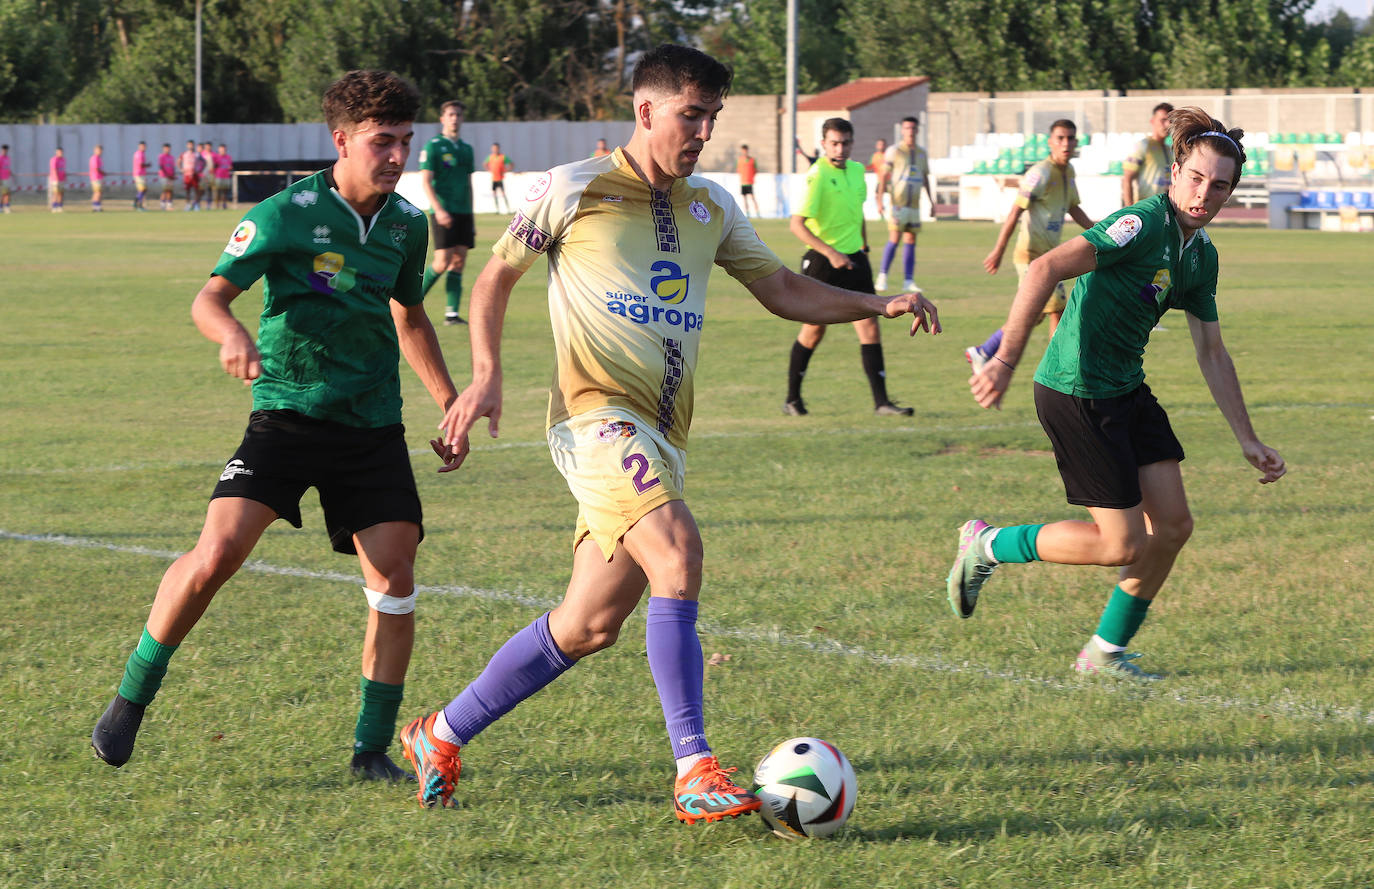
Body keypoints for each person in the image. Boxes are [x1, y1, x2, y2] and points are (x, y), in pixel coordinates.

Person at [399, 44, 939, 817]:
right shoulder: (573, 188)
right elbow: (493, 277)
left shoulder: (711, 205)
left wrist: (875, 302)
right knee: (678, 552)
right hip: (594, 419)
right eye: (692, 114)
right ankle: (695, 769)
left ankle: (440, 732)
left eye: (712, 117)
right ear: (646, 110)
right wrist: (485, 373)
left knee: (587, 624)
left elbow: (782, 287)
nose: (703, 131)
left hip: (662, 437)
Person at [91, 69, 464, 783]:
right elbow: (209, 297)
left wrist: (447, 399)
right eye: (382, 142)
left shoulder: (407, 224)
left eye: (404, 142)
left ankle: (370, 747)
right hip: (288, 413)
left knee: (395, 578)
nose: (396, 157)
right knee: (217, 554)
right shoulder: (284, 213)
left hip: (371, 425)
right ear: (342, 140)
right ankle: (132, 696)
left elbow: (410, 313)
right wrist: (229, 333)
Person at [947, 107, 1286, 681]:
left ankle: (1104, 653)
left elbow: (1211, 352)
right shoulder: (1140, 224)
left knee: (1174, 526)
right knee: (1121, 544)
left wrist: (1247, 438)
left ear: (1232, 192)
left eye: (1220, 185)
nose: (1205, 193)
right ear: (1175, 172)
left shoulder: (1200, 255)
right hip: (1076, 391)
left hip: (1126, 390)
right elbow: (1045, 268)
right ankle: (989, 544)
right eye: (1197, 177)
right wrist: (1004, 358)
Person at [782, 117, 918, 418]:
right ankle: (792, 398)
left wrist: (864, 247)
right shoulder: (816, 175)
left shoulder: (857, 172)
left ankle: (882, 403)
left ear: (852, 143)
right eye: (834, 143)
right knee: (814, 329)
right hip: (822, 261)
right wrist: (830, 253)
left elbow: (857, 215)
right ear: (824, 144)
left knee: (870, 325)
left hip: (855, 257)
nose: (840, 148)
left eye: (845, 143)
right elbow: (797, 225)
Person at [965, 119, 1094, 375]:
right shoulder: (1040, 173)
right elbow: (1015, 211)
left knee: (1033, 315)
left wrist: (1097, 232)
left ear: (1076, 142)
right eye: (1060, 138)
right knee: (1055, 308)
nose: (1065, 143)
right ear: (1050, 142)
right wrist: (998, 250)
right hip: (1030, 256)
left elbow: (1072, 207)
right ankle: (1061, 366)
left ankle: (983, 352)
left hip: (1050, 257)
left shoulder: (1068, 173)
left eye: (1070, 138)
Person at [418, 100, 476, 325]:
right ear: (442, 118)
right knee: (441, 261)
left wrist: (471, 217)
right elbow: (426, 181)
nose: (455, 118)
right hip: (443, 210)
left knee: (459, 261)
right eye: (451, 114)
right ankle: (410, 301)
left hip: (463, 212)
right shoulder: (433, 146)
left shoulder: (466, 149)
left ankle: (452, 314)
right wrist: (438, 209)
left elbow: (469, 183)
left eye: (458, 115)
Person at [875, 117, 936, 293]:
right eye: (907, 128)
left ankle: (908, 280)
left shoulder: (922, 153)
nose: (910, 131)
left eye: (913, 128)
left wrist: (931, 201)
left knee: (911, 240)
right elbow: (883, 176)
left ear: (917, 130)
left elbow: (925, 178)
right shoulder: (894, 151)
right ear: (902, 130)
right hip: (898, 204)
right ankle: (882, 276)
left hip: (914, 204)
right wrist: (880, 200)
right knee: (894, 238)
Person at [1122, 102, 1174, 207]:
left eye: (1171, 121)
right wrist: (1130, 211)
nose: (1168, 125)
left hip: (1163, 209)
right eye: (1163, 120)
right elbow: (1127, 179)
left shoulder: (1170, 150)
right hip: (1144, 209)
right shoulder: (1143, 145)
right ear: (1152, 121)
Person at [485, 142, 511, 214]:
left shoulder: (502, 157)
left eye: (496, 148)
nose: (495, 150)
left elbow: (511, 163)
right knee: (494, 194)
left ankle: (508, 209)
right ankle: (497, 209)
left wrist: (507, 170)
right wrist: (489, 170)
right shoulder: (490, 157)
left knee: (503, 194)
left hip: (500, 178)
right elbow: (485, 164)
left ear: (498, 149)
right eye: (493, 148)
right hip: (494, 179)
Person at [736, 143, 760, 216]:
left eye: (745, 151)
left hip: (749, 182)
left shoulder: (752, 160)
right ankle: (747, 213)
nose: (744, 152)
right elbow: (738, 170)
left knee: (752, 198)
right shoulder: (740, 160)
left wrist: (751, 176)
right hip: (743, 182)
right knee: (744, 199)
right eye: (743, 151)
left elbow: (756, 170)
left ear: (747, 151)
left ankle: (757, 212)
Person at [180, 139, 200, 210]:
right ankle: (188, 205)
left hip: (194, 175)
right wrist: (181, 169)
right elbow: (178, 161)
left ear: (193, 145)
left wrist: (199, 170)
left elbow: (203, 162)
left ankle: (196, 205)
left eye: (192, 145)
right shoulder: (184, 154)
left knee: (196, 190)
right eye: (189, 145)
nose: (190, 146)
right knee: (187, 191)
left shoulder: (196, 154)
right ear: (187, 145)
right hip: (187, 175)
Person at [213, 143, 233, 210]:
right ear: (219, 150)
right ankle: (217, 205)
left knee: (225, 192)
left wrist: (230, 168)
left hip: (226, 176)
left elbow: (230, 166)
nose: (222, 151)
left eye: (224, 149)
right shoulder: (216, 157)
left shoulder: (228, 157)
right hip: (218, 176)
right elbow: (213, 166)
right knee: (218, 191)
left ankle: (224, 204)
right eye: (221, 149)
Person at [158, 143, 176, 211]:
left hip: (171, 176)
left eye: (168, 148)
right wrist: (167, 175)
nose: (167, 149)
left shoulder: (171, 157)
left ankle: (169, 205)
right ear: (163, 149)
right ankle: (162, 205)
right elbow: (161, 166)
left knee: (170, 190)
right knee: (165, 190)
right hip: (164, 176)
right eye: (165, 148)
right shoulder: (161, 156)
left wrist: (173, 175)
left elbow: (173, 167)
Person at [132, 141, 149, 211]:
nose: (144, 147)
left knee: (144, 190)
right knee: (142, 189)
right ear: (139, 146)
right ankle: (137, 204)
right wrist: (147, 165)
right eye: (142, 146)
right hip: (138, 174)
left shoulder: (142, 154)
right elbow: (141, 164)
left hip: (141, 174)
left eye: (144, 146)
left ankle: (137, 203)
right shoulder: (139, 154)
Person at [48, 147, 65, 212]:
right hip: (55, 180)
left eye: (61, 152)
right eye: (59, 152)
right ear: (56, 152)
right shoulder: (54, 159)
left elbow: (63, 169)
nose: (60, 153)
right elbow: (54, 169)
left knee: (60, 193)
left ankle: (59, 207)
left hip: (62, 179)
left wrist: (64, 177)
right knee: (55, 193)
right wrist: (57, 179)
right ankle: (54, 207)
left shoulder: (63, 160)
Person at [88, 145, 105, 212]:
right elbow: (96, 168)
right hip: (96, 177)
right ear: (95, 150)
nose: (100, 151)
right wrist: (103, 172)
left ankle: (96, 206)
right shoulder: (95, 158)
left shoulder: (98, 158)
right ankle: (96, 207)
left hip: (98, 177)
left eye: (100, 150)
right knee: (97, 192)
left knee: (98, 192)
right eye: (98, 150)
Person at [0, 144, 12, 214]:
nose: (5, 151)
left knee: (6, 193)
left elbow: (7, 168)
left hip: (7, 178)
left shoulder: (8, 158)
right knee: (4, 193)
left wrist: (10, 173)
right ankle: (4, 207)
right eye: (4, 150)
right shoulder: (0, 158)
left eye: (6, 150)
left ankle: (4, 207)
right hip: (1, 178)